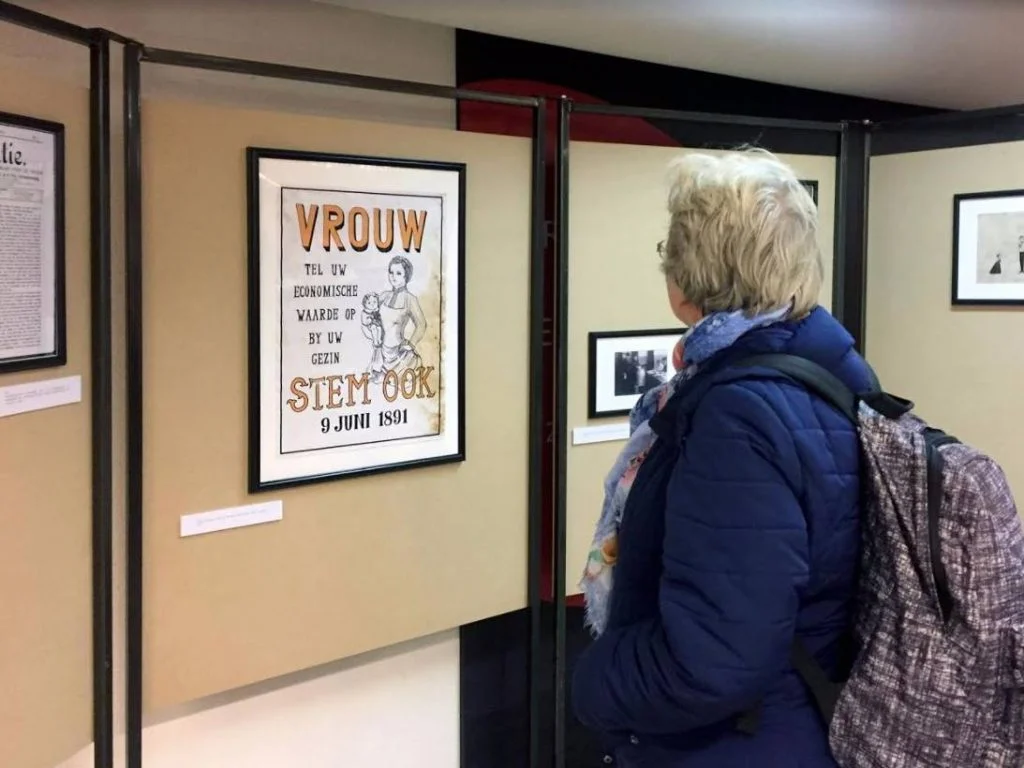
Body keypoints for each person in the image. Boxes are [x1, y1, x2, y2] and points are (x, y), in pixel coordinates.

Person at [573, 148, 875, 768]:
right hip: (803, 721)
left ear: (690, 275)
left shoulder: (737, 412)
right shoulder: (834, 369)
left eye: (669, 250)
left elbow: (712, 659)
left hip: (739, 741)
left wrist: (591, 684)